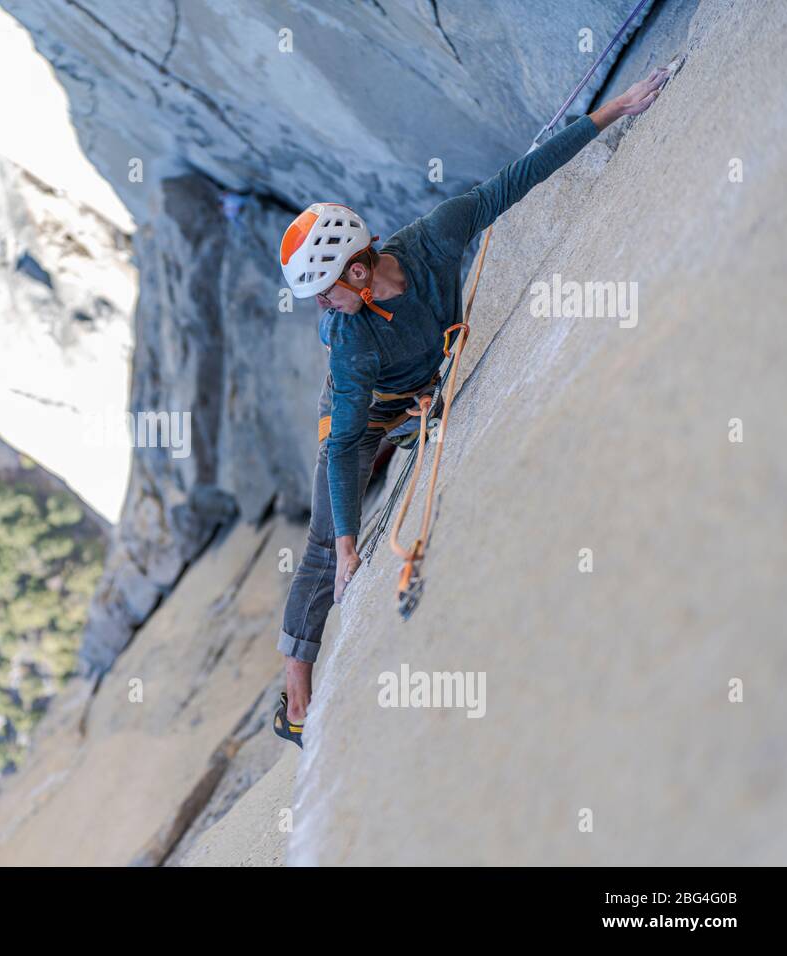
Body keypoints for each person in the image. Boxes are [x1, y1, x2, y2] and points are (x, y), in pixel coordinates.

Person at [272, 68, 670, 748]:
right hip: (364, 417)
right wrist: (345, 548)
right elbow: (342, 445)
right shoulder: (348, 340)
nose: (320, 307)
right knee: (319, 539)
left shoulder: (433, 240)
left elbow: (513, 182)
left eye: (325, 291)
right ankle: (296, 697)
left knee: (362, 486)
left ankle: (411, 418)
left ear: (359, 271)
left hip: (417, 391)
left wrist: (613, 111)